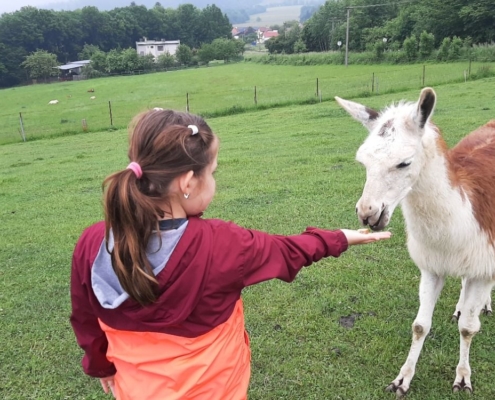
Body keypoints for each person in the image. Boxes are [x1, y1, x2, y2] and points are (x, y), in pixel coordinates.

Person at [70, 109, 391, 400]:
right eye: (212, 172)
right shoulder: (221, 244)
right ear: (187, 182)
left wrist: (101, 366)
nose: (214, 182)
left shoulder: (90, 243)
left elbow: (85, 318)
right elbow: (288, 250)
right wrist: (340, 238)